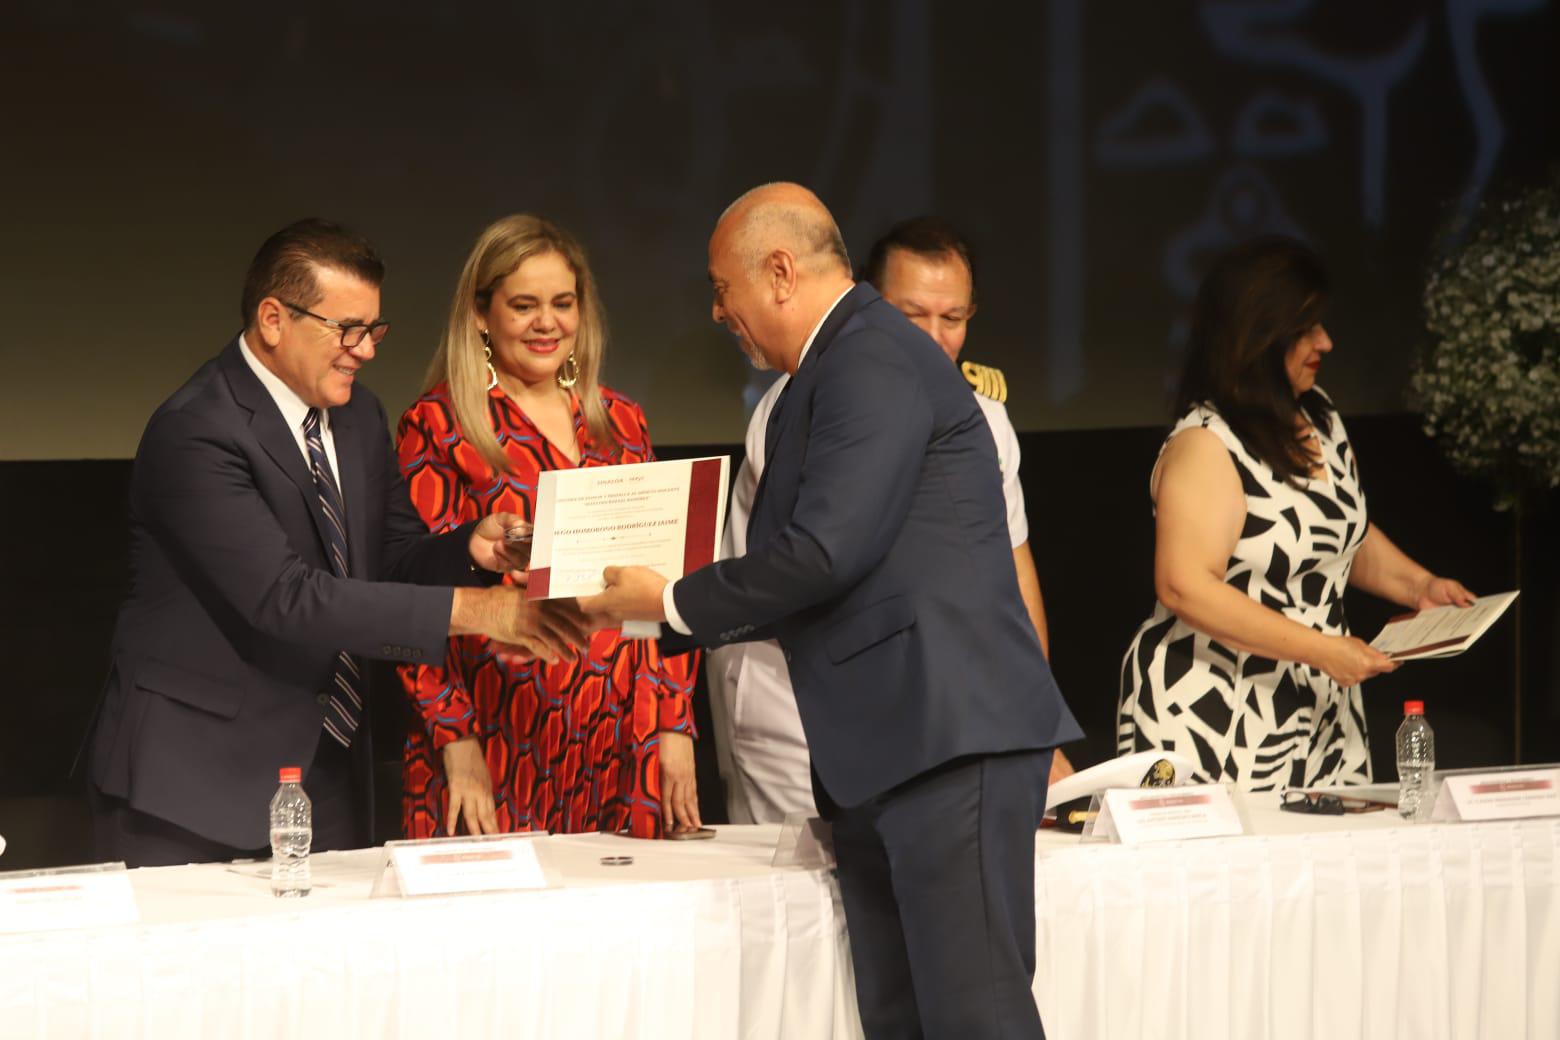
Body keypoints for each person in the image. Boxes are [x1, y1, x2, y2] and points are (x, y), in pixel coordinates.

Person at [582, 183, 1082, 1039]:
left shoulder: (867, 357)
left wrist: (665, 600)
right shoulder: (830, 370)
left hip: (944, 739)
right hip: (892, 753)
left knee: (974, 1017)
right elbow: (821, 565)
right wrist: (644, 608)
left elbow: (824, 554)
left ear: (778, 272)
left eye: (721, 287)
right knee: (903, 1018)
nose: (716, 312)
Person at [87, 219, 590, 868]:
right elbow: (285, 598)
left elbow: (393, 558)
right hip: (192, 787)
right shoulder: (197, 431)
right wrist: (481, 611)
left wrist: (471, 548)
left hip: (320, 772)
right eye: (347, 329)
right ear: (273, 318)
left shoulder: (356, 415)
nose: (366, 349)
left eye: (374, 329)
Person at [707, 216, 1073, 824]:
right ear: (869, 307)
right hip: (786, 696)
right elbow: (824, 570)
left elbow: (1009, 574)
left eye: (952, 318)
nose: (934, 337)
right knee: (800, 903)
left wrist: (1032, 720)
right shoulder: (798, 406)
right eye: (912, 315)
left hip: (910, 704)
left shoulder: (985, 419)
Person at [1117, 236, 1474, 789]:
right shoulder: (1207, 443)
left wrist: (1419, 586)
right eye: (1306, 328)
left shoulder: (1321, 414)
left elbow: (1338, 531)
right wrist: (1324, 651)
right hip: (1215, 718)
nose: (1325, 342)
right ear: (1259, 334)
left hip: (1319, 712)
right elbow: (1183, 584)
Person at [396, 214, 700, 840]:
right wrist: (454, 738)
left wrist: (673, 723)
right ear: (481, 314)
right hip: (498, 737)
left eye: (563, 303)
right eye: (524, 305)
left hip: (623, 737)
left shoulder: (621, 423)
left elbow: (665, 584)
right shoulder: (439, 425)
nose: (547, 323)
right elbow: (411, 598)